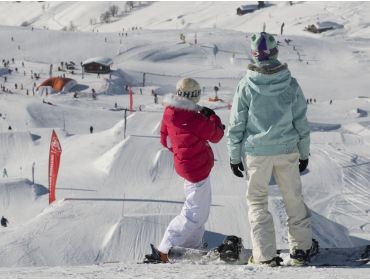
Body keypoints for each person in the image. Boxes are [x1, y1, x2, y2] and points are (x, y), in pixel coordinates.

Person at [227, 32, 317, 267]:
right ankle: (300, 250)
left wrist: (234, 156)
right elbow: (300, 122)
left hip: (256, 152)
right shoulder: (289, 82)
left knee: (257, 202)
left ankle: (264, 255)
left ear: (254, 55)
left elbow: (237, 123)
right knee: (293, 199)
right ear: (275, 52)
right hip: (287, 149)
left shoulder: (246, 85)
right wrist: (304, 153)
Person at [144, 78, 225, 263]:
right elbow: (217, 135)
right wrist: (212, 116)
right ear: (194, 96)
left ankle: (191, 247)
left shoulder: (170, 112)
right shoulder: (194, 118)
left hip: (187, 167)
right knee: (193, 214)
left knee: (199, 212)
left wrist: (181, 152)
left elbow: (165, 140)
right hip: (197, 170)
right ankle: (164, 250)